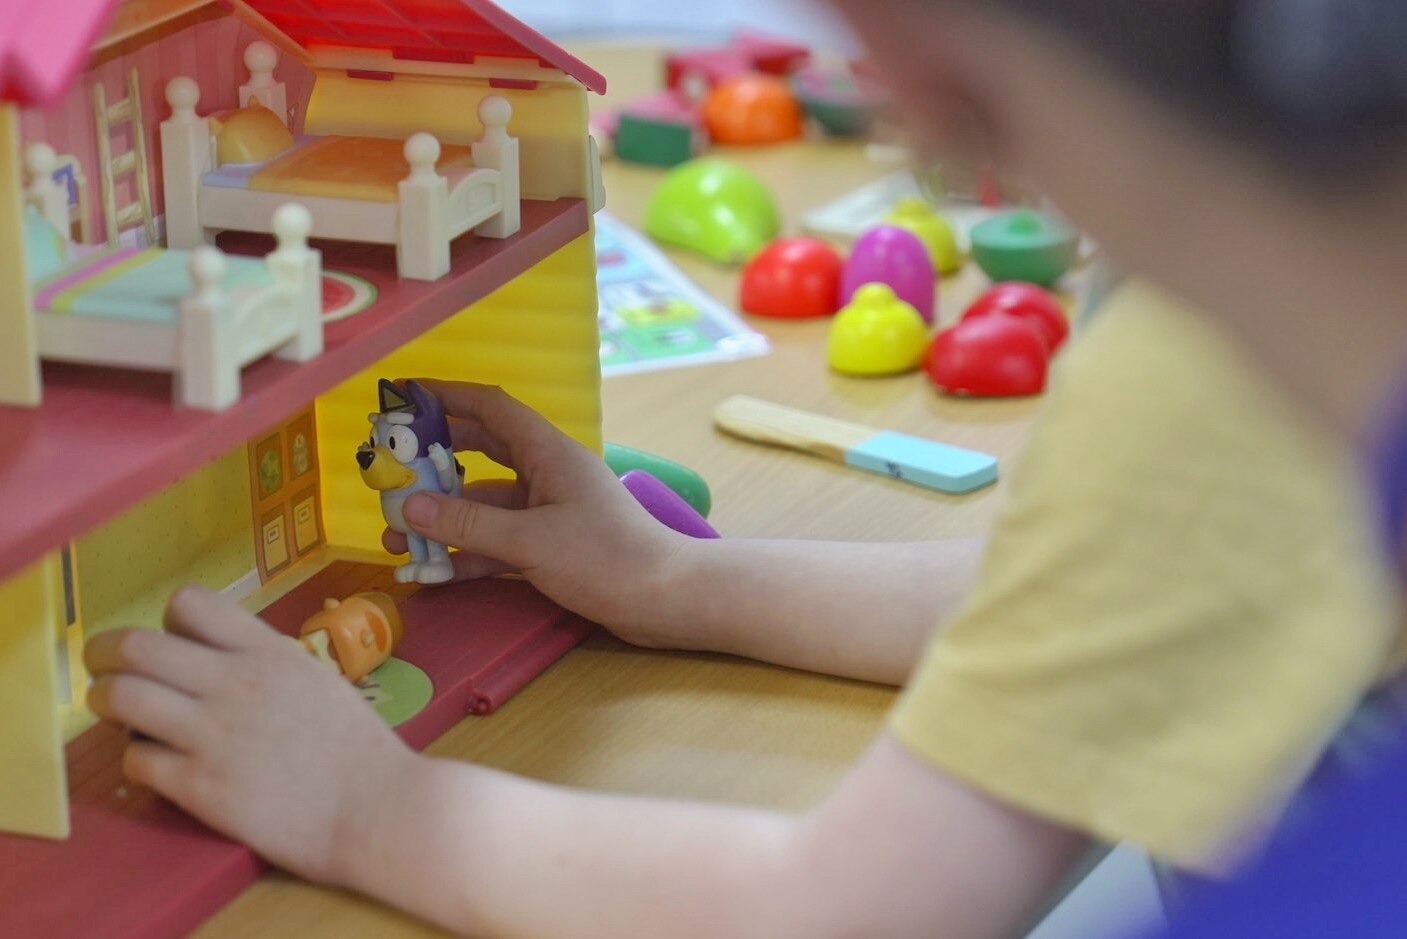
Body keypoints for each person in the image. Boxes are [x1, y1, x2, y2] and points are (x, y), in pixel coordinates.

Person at [82, 2, 1407, 937]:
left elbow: (850, 911)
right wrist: (674, 582)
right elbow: (1132, 599)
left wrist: (371, 806)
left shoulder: (1216, 367)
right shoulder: (1279, 343)